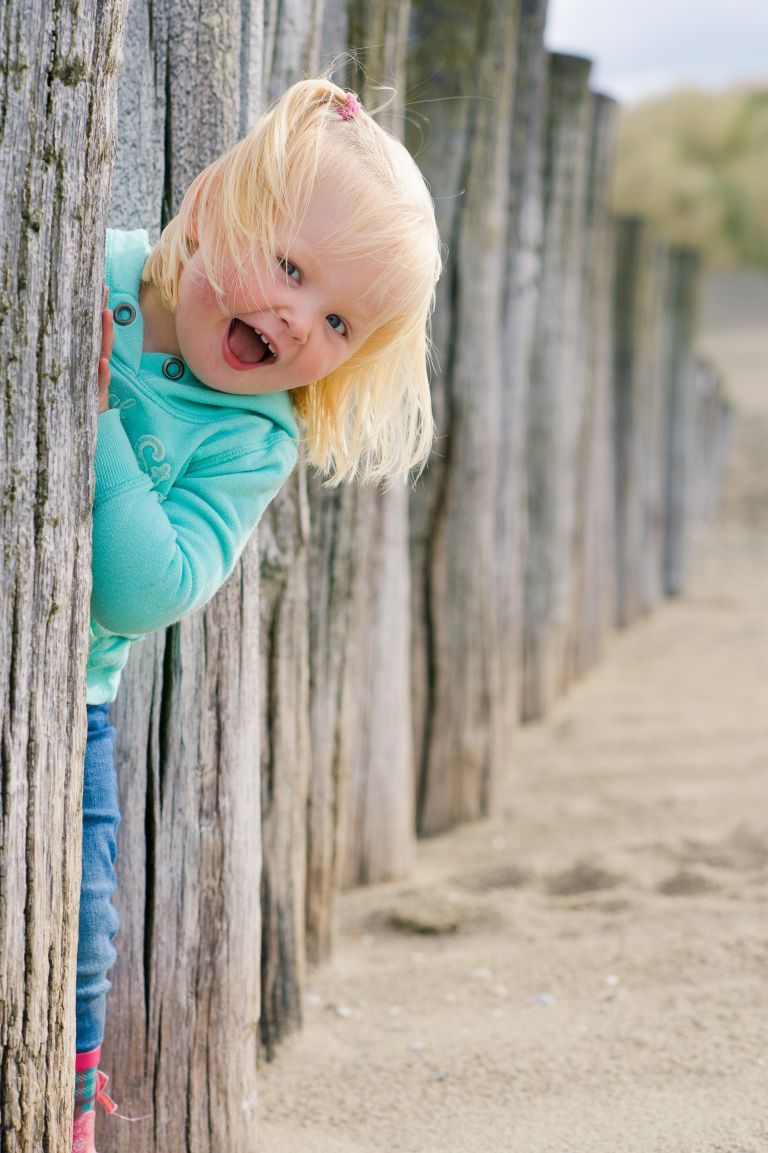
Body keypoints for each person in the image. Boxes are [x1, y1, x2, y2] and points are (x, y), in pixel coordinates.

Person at [74, 77, 441, 1152]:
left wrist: (91, 414)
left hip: (67, 710)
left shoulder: (253, 439)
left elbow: (147, 588)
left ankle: (59, 1102)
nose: (294, 321)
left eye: (336, 320)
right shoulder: (78, 266)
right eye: (289, 268)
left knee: (83, 922)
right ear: (216, 203)